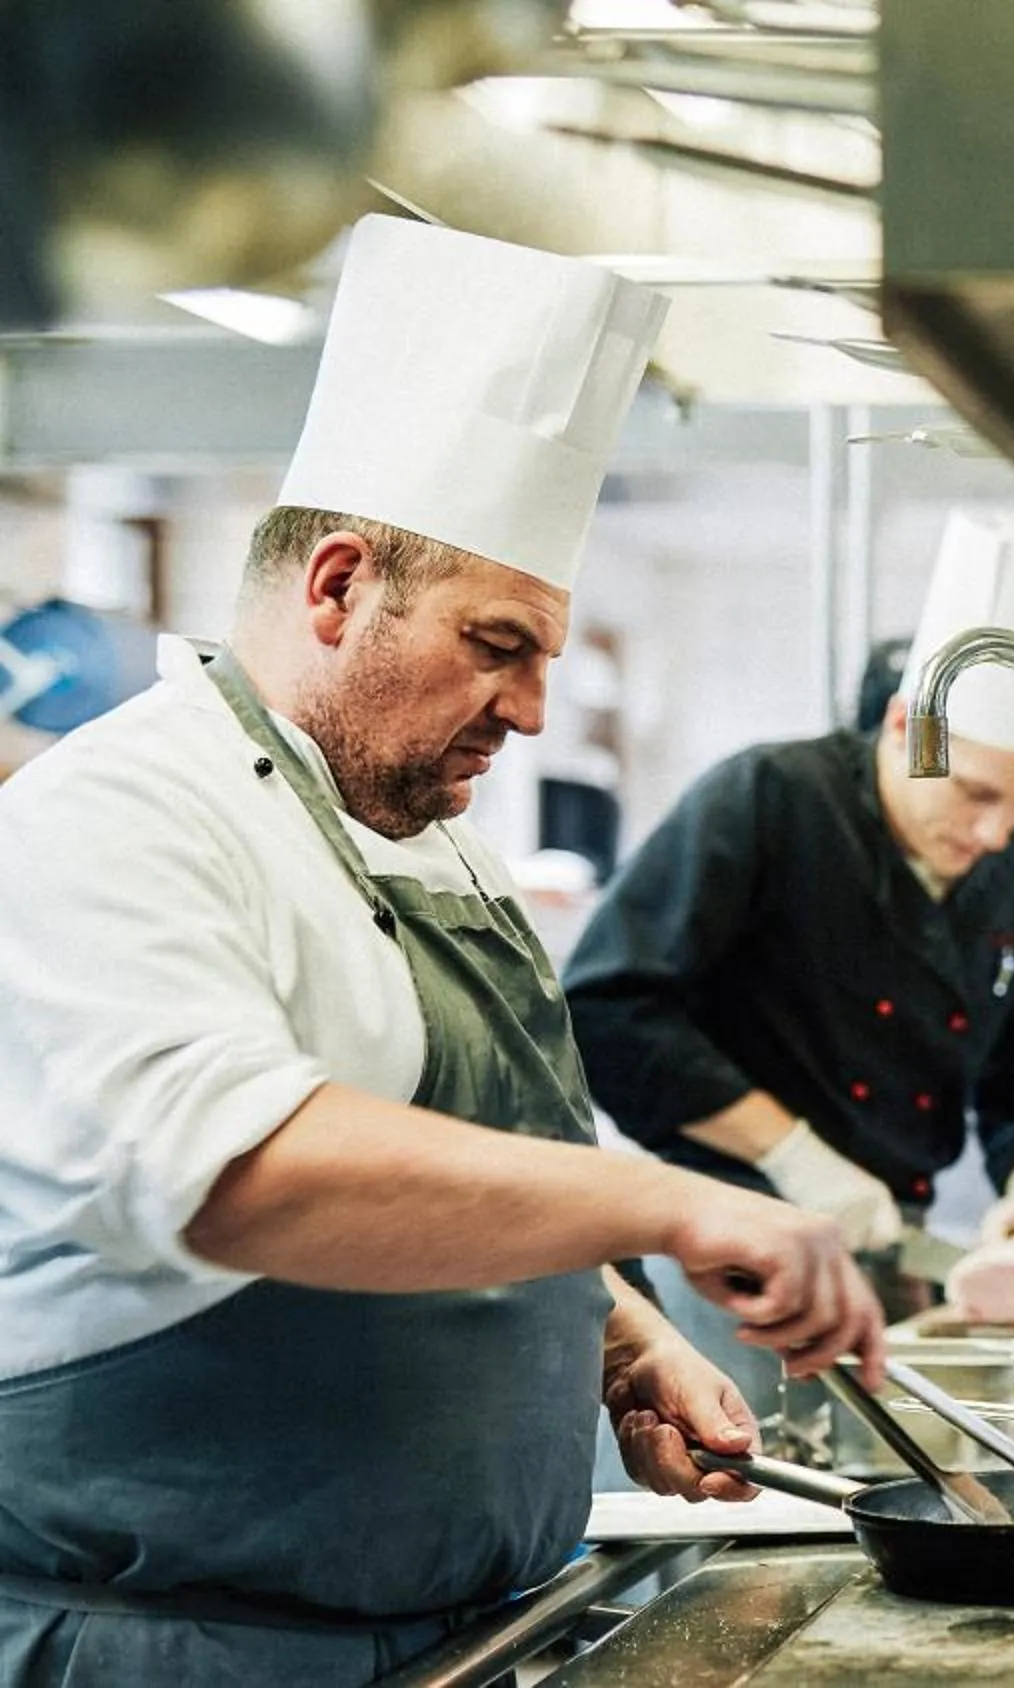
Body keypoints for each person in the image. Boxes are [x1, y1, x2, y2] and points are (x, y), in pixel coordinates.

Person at [0, 217, 889, 1683]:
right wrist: (671, 1204)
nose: (534, 710)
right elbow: (244, 1177)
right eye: (498, 644)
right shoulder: (117, 817)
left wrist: (607, 1334)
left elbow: (438, 1157)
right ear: (338, 587)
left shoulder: (437, 838)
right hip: (189, 1658)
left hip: (461, 1642)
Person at [565, 510, 1014, 1342]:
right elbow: (610, 1012)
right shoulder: (769, 801)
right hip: (725, 1267)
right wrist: (791, 1155)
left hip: (890, 1259)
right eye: (975, 792)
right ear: (904, 728)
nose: (997, 833)